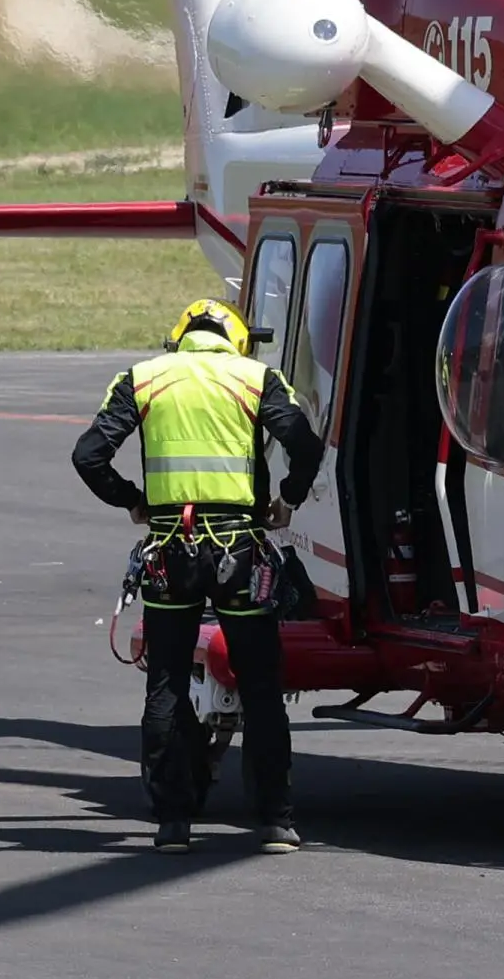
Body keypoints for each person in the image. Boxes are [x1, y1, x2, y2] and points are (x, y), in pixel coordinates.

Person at [74, 297, 324, 855]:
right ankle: (276, 822)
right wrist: (286, 499)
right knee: (261, 686)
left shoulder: (142, 379)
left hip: (170, 549)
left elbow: (88, 455)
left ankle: (172, 823)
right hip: (238, 546)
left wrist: (134, 502)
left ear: (181, 337)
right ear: (235, 338)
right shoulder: (256, 378)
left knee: (163, 684)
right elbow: (305, 445)